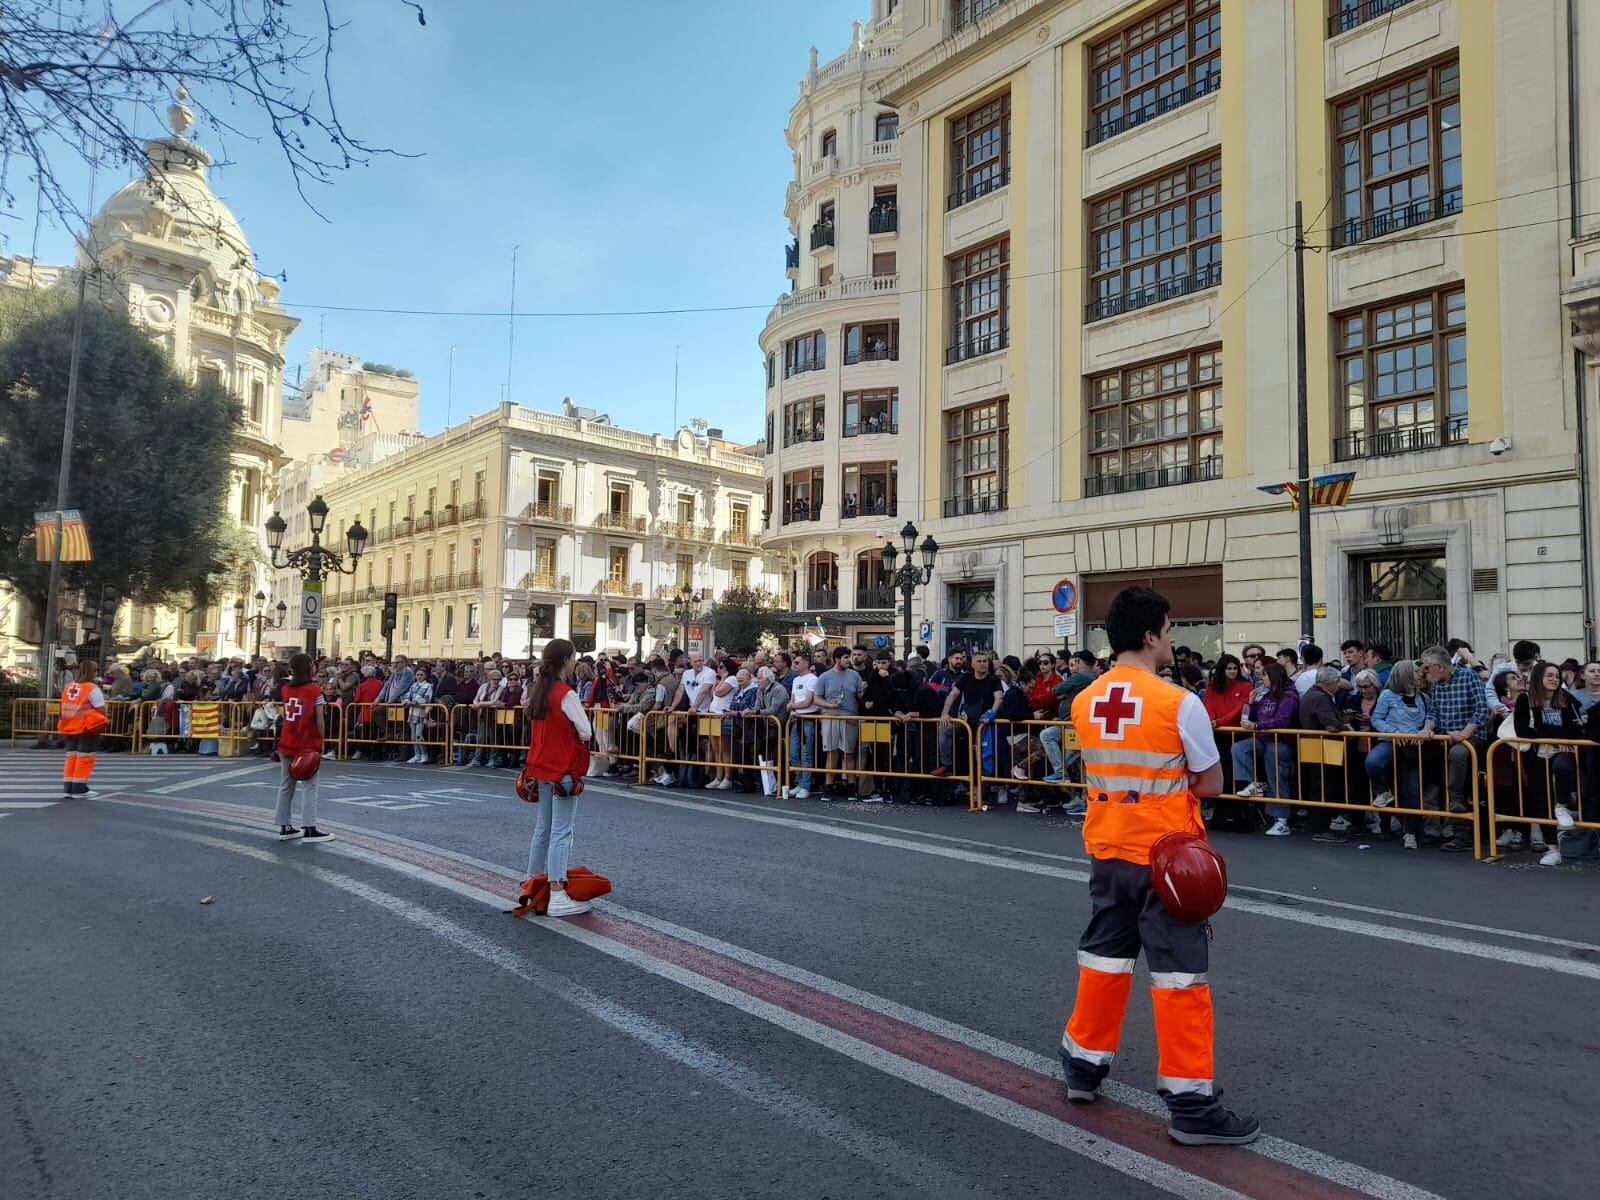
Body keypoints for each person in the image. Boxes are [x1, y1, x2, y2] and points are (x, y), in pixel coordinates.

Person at [1059, 586, 1258, 1146]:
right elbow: (1212, 783)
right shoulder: (1178, 702)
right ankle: (1193, 1104)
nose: (1173, 640)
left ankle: (1082, 1065)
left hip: (1106, 852)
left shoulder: (1085, 699)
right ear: (1150, 636)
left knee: (1103, 959)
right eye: (1169, 630)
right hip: (1166, 860)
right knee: (1179, 978)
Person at [522, 639, 595, 917]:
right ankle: (556, 892)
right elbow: (586, 731)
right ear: (566, 659)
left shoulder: (538, 689)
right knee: (562, 831)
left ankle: (531, 886)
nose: (575, 661)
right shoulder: (566, 694)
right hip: (563, 767)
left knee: (543, 829)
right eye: (574, 657)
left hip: (540, 765)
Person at [1511, 660, 1581, 865]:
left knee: (1563, 769)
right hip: (1536, 756)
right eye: (1549, 675)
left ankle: (1562, 806)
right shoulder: (1526, 700)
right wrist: (1558, 736)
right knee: (1541, 798)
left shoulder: (1566, 698)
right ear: (1538, 677)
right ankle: (1552, 850)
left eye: (1557, 676)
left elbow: (1576, 729)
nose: (1554, 679)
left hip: (1562, 753)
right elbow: (1523, 731)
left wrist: (1547, 735)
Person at [1419, 644, 1488, 853]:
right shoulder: (1437, 685)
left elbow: (1482, 709)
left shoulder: (1468, 677)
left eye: (1427, 667)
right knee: (1428, 762)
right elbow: (1433, 713)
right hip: (1445, 738)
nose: (1424, 671)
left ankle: (1456, 800)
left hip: (1471, 737)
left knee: (1457, 754)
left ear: (1439, 666)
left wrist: (1465, 733)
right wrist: (1426, 729)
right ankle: (1441, 825)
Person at [1231, 661, 1299, 837]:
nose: (1262, 678)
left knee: (1277, 779)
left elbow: (1282, 721)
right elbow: (1255, 715)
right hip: (1263, 739)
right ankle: (1255, 783)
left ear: (1274, 677)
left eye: (1265, 675)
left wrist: (1256, 725)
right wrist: (1252, 704)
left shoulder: (1289, 696)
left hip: (1280, 743)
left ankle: (1282, 821)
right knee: (1239, 748)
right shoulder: (1267, 695)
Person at [1366, 660, 1428, 850]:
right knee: (1373, 761)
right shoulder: (1387, 695)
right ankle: (1383, 792)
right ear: (1405, 674)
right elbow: (1376, 718)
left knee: (1412, 790)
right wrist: (1393, 732)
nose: (1420, 675)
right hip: (1390, 741)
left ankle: (1411, 832)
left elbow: (1429, 720)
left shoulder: (1424, 697)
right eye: (1416, 672)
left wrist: (1424, 732)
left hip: (1412, 746)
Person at [275, 652, 332, 843]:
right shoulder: (314, 690)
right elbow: (319, 720)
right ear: (308, 667)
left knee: (286, 785)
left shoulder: (285, 689)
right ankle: (309, 828)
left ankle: (284, 826)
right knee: (310, 786)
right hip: (306, 743)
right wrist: (321, 742)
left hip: (287, 741)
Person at [815, 646, 864, 796]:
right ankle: (828, 785)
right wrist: (829, 705)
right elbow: (817, 698)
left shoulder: (855, 675)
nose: (849, 660)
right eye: (845, 657)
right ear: (837, 659)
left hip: (849, 717)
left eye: (849, 657)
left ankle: (851, 785)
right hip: (830, 717)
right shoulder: (825, 676)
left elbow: (859, 697)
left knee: (849, 753)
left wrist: (863, 691)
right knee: (831, 752)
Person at [59, 659, 109, 797]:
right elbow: (101, 709)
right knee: (84, 757)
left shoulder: (69, 686)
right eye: (96, 669)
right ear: (92, 672)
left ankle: (69, 788)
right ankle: (79, 788)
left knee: (71, 757)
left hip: (68, 726)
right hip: (86, 727)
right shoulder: (92, 688)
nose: (97, 672)